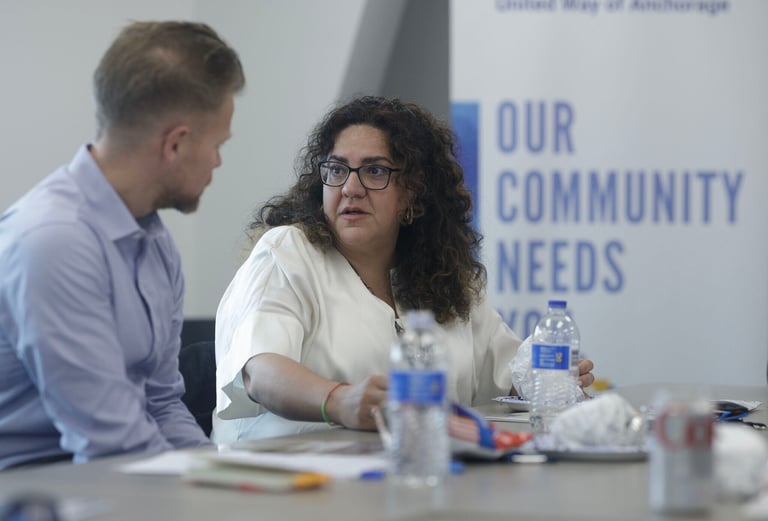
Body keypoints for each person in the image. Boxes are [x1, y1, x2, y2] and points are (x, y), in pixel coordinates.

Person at [213, 96, 594, 445]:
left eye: (375, 171)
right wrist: (339, 401)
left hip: (416, 472)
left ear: (412, 191)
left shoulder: (445, 275)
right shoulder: (287, 253)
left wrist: (545, 379)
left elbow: (507, 377)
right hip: (286, 477)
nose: (350, 188)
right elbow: (260, 371)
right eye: (337, 169)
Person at [0, 21, 246, 469]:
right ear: (175, 144)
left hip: (114, 479)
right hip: (33, 492)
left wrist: (220, 476)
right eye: (217, 145)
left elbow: (162, 405)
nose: (217, 162)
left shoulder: (154, 241)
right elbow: (112, 443)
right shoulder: (53, 241)